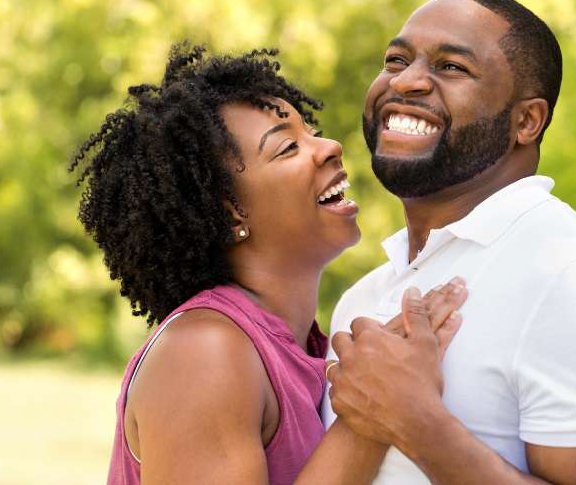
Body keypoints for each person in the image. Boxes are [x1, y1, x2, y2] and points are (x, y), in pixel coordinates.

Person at [322, 0, 576, 484]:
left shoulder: (575, 283)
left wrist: (420, 427)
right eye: (396, 60)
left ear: (526, 121)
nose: (406, 81)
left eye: (451, 67)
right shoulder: (362, 296)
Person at [71, 44, 467, 484]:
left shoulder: (303, 344)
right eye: (287, 148)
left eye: (312, 132)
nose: (330, 147)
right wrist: (372, 412)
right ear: (230, 213)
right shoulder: (204, 351)